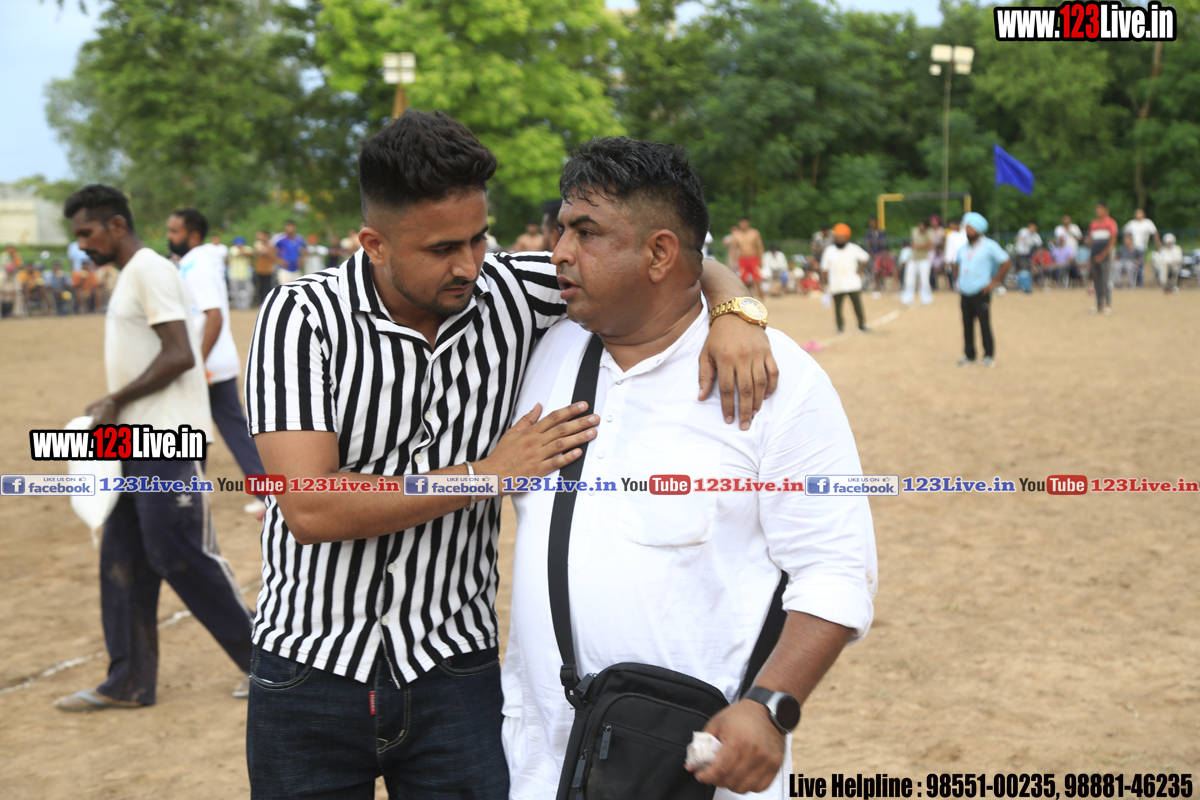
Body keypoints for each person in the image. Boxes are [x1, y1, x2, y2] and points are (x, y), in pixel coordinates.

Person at [242, 112, 777, 799]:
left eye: (479, 237)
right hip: (309, 669)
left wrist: (736, 311)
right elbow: (311, 508)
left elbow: (672, 255)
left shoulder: (510, 292)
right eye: (442, 248)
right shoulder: (302, 318)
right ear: (374, 244)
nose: (468, 264)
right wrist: (485, 474)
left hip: (453, 669)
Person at [501, 136, 876, 800]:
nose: (558, 251)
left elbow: (836, 569)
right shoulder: (540, 347)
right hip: (537, 763)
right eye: (561, 229)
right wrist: (734, 296)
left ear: (659, 254)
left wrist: (770, 707)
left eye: (587, 232)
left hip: (695, 767)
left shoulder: (776, 382)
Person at [54, 184, 252, 712]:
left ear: (116, 225)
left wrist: (115, 398)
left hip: (168, 438)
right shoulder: (128, 276)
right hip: (128, 440)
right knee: (122, 556)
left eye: (87, 233)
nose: (82, 245)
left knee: (178, 552)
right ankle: (128, 682)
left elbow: (181, 353)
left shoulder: (150, 270)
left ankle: (266, 665)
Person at [167, 208, 268, 519]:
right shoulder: (194, 263)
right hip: (213, 361)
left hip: (206, 365)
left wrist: (197, 363)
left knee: (190, 429)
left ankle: (188, 494)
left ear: (193, 236)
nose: (169, 237)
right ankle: (267, 492)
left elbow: (214, 316)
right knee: (225, 428)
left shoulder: (195, 266)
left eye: (175, 232)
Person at [952, 212, 1010, 368]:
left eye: (971, 228)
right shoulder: (963, 248)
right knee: (967, 325)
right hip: (965, 292)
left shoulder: (989, 245)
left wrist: (994, 282)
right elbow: (956, 263)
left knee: (984, 324)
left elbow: (1005, 261)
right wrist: (958, 281)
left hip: (981, 292)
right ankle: (969, 355)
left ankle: (988, 355)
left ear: (978, 229)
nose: (968, 231)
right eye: (967, 228)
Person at [820, 223, 871, 334]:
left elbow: (866, 257)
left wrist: (860, 270)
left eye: (843, 237)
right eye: (838, 237)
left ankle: (861, 325)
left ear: (847, 237)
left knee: (857, 306)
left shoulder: (853, 248)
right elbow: (824, 269)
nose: (840, 239)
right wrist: (824, 284)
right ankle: (840, 327)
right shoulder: (829, 250)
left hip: (852, 282)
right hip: (836, 283)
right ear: (835, 237)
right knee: (838, 308)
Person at [1087, 202, 1118, 314]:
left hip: (1105, 255)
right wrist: (1091, 256)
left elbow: (1113, 240)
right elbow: (1091, 241)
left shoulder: (1110, 223)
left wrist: (1103, 255)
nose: (1098, 211)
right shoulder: (1093, 224)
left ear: (1106, 210)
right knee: (1096, 280)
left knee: (1105, 279)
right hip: (1095, 255)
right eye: (1097, 209)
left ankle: (1108, 304)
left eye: (1100, 209)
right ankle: (1099, 304)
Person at [901, 219, 935, 306]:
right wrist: (923, 245)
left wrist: (920, 246)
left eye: (923, 226)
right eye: (921, 225)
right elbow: (913, 244)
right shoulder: (914, 231)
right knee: (909, 280)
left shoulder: (929, 232)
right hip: (913, 259)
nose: (921, 227)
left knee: (924, 280)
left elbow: (931, 244)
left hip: (924, 259)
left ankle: (926, 298)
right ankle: (907, 298)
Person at [1123, 208, 1160, 286]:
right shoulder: (1132, 223)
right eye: (1137, 213)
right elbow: (1125, 231)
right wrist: (1128, 241)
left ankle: (1140, 282)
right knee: (1133, 264)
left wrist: (1157, 242)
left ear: (1143, 214)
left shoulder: (1148, 222)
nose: (1138, 215)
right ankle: (1134, 281)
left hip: (1142, 247)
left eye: (1140, 213)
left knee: (1141, 264)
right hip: (1133, 248)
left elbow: (1154, 232)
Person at [730, 216, 765, 299]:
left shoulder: (754, 233)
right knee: (744, 281)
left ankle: (761, 298)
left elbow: (759, 246)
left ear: (748, 223)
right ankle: (748, 298)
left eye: (744, 222)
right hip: (742, 259)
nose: (743, 224)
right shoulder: (736, 235)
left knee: (757, 280)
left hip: (753, 258)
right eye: (741, 222)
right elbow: (733, 249)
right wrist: (733, 261)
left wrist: (761, 259)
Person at [271, 220, 305, 284]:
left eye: (292, 226)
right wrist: (279, 261)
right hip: (284, 269)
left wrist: (301, 260)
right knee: (285, 288)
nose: (290, 228)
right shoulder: (280, 238)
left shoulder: (299, 238)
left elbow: (306, 249)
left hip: (296, 269)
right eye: (288, 226)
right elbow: (271, 250)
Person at [227, 236, 254, 310]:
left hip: (246, 274)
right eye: (238, 243)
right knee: (235, 291)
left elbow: (252, 253)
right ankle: (237, 305)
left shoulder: (247, 248)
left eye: (241, 243)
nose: (239, 245)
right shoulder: (232, 249)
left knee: (250, 290)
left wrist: (244, 252)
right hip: (234, 274)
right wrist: (245, 252)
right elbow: (239, 254)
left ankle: (246, 305)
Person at [865, 217, 887, 295]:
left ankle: (881, 284)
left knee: (881, 269)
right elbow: (868, 243)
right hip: (872, 254)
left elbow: (883, 242)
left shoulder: (882, 232)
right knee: (872, 269)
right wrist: (872, 252)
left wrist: (873, 242)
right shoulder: (869, 233)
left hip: (880, 253)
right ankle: (872, 285)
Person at [252, 230, 275, 305]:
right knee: (260, 286)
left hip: (268, 269)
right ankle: (261, 301)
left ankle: (267, 301)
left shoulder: (270, 244)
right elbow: (261, 251)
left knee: (268, 286)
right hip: (260, 269)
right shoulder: (259, 244)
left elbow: (268, 253)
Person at [943, 219, 967, 291]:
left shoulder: (965, 233)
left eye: (952, 225)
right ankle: (957, 285)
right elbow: (948, 248)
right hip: (955, 258)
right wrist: (947, 259)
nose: (950, 227)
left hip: (966, 257)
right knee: (956, 273)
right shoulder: (950, 235)